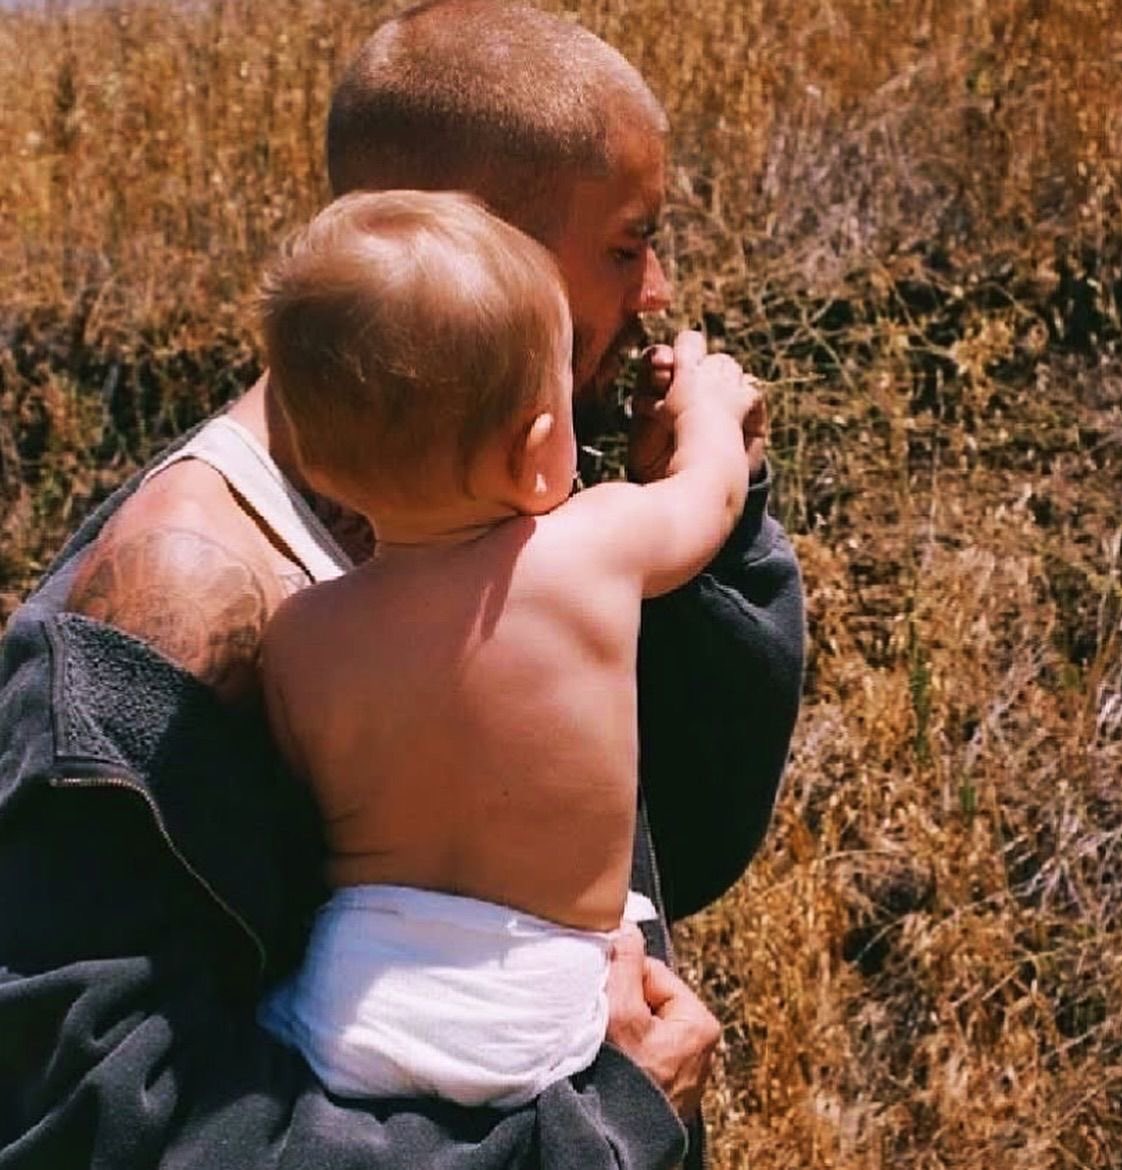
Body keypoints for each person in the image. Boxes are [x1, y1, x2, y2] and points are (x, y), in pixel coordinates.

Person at [0, 2, 804, 1167]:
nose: (661, 290)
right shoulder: (162, 612)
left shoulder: (475, 486)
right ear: (470, 251)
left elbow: (684, 832)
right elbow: (97, 1127)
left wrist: (689, 548)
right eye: (628, 245)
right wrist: (600, 1126)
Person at [251, 188, 757, 1110]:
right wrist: (710, 407)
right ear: (536, 450)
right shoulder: (592, 548)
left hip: (348, 1012)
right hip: (548, 1002)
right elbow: (711, 499)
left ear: (316, 462)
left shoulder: (297, 637)